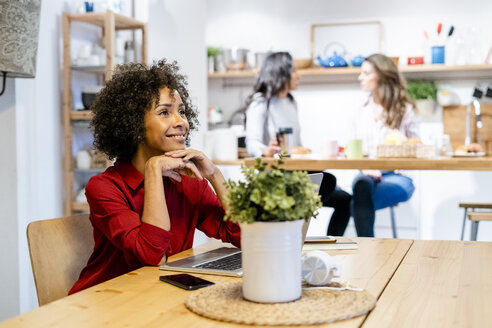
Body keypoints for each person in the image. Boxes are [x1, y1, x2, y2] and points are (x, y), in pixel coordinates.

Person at [69, 59, 240, 294]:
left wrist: (214, 174)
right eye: (164, 112)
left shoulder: (190, 181)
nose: (181, 122)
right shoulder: (104, 187)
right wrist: (153, 170)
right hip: (105, 301)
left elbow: (243, 234)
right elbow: (153, 255)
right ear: (135, 126)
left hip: (158, 294)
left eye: (181, 111)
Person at [244, 52, 351, 236]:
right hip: (275, 177)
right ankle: (292, 234)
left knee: (345, 199)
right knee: (328, 181)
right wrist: (265, 150)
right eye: (294, 70)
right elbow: (251, 142)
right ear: (281, 72)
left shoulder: (291, 102)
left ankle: (330, 243)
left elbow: (297, 146)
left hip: (296, 173)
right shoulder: (261, 102)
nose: (298, 75)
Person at [349, 53, 419, 237]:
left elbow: (418, 147)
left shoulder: (405, 109)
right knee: (361, 186)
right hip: (367, 176)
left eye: (365, 73)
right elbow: (353, 149)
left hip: (399, 176)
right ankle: (369, 251)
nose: (360, 77)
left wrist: (402, 142)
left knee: (354, 203)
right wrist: (365, 167)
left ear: (380, 75)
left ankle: (367, 250)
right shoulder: (360, 110)